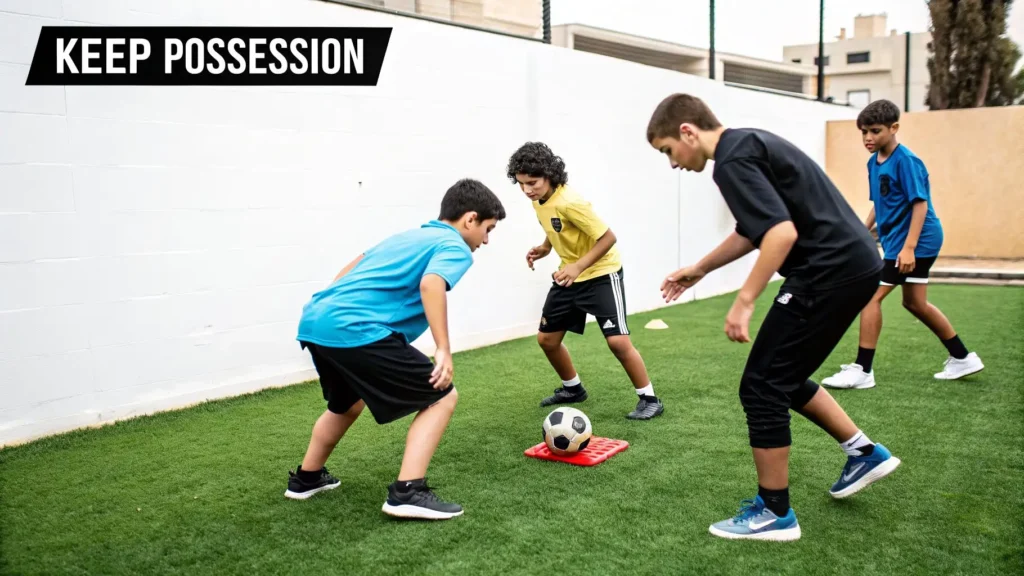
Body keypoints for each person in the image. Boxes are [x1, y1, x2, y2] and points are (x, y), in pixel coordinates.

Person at [647, 93, 901, 541]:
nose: (672, 163)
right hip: (852, 265)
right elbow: (754, 228)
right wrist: (700, 269)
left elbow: (780, 233)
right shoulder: (747, 143)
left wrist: (745, 299)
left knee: (761, 386)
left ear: (687, 132)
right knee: (781, 375)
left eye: (668, 151)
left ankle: (775, 512)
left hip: (828, 271)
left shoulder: (730, 161)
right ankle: (864, 452)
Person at [285, 178, 506, 520]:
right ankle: (408, 492)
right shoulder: (455, 246)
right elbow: (431, 284)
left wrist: (334, 307)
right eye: (488, 229)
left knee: (346, 403)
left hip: (317, 321)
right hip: (355, 327)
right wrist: (443, 348)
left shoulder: (409, 236)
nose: (486, 240)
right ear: (470, 219)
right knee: (442, 394)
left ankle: (306, 479)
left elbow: (355, 264)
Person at [821, 99, 983, 390]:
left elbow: (919, 204)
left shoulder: (906, 160)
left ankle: (863, 370)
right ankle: (962, 357)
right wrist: (861, 231)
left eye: (875, 131)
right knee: (914, 303)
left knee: (869, 297)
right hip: (899, 241)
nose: (868, 138)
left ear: (894, 128)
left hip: (918, 240)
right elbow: (878, 204)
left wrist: (909, 248)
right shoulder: (874, 163)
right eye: (863, 132)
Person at [506, 142, 664, 420]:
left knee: (617, 342)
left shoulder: (571, 202)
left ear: (550, 175)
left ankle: (649, 398)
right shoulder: (539, 200)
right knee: (547, 339)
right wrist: (546, 247)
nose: (527, 190)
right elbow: (554, 226)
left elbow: (608, 237)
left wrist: (578, 266)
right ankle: (573, 389)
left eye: (532, 182)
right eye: (521, 184)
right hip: (570, 275)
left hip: (602, 274)